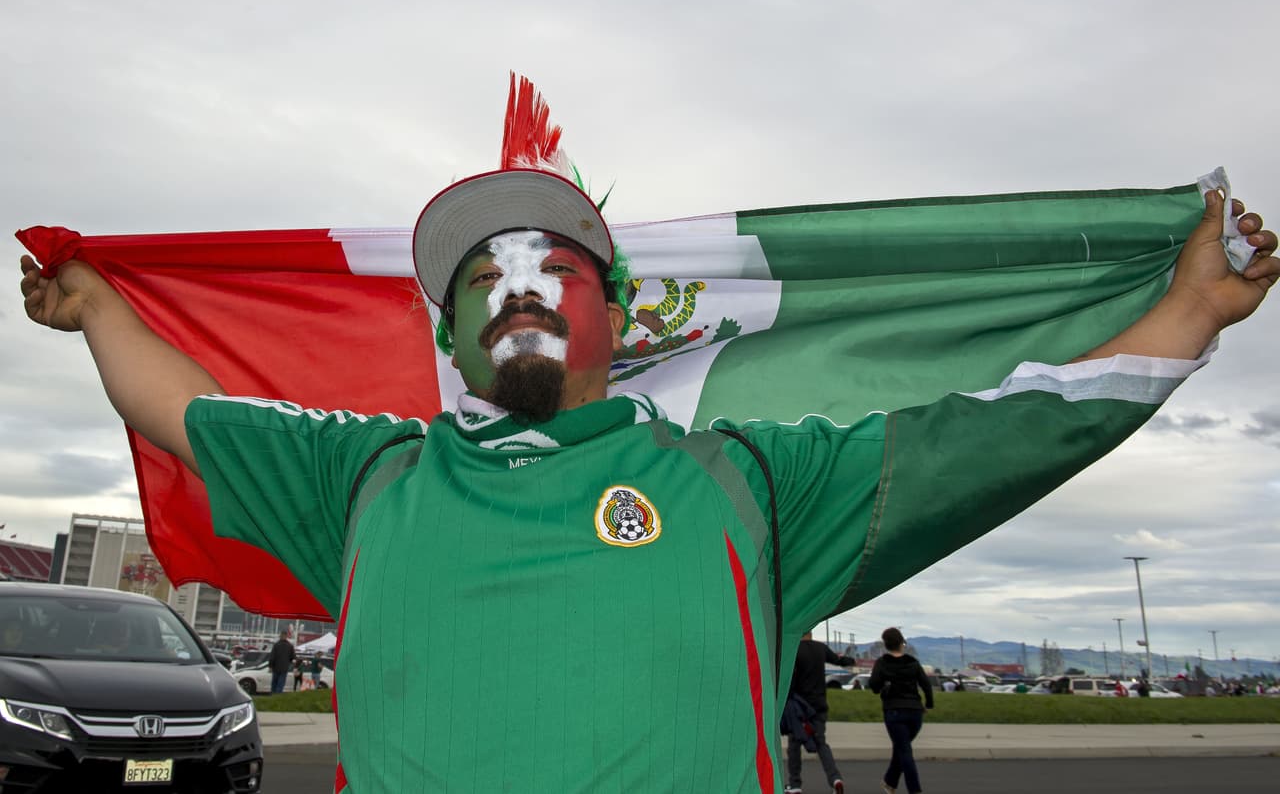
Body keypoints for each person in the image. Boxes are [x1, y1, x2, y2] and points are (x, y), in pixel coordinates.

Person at [18, 132, 1276, 788]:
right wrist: (95, 307)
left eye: (556, 265)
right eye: (480, 277)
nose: (517, 285)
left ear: (617, 315)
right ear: (445, 331)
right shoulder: (365, 480)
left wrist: (1186, 318)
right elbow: (184, 409)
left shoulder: (749, 482)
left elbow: (1000, 424)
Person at [783, 630, 856, 794]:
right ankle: (835, 779)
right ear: (811, 632)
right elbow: (839, 660)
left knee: (794, 745)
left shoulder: (795, 650)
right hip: (819, 706)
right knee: (821, 743)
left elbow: (791, 679)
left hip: (800, 708)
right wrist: (851, 660)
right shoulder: (820, 648)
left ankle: (795, 784)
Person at [869, 627, 934, 794]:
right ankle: (890, 782)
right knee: (902, 747)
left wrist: (884, 687)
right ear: (902, 643)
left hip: (894, 711)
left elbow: (874, 686)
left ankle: (915, 790)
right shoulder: (913, 663)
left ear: (886, 645)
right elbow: (926, 685)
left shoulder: (882, 663)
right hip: (915, 712)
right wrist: (928, 704)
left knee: (904, 751)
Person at [268, 630, 293, 695]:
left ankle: (273, 695)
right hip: (284, 668)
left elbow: (272, 656)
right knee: (280, 684)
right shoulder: (290, 646)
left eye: (281, 635)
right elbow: (292, 657)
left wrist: (270, 666)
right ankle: (277, 696)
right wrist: (288, 663)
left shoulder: (276, 645)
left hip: (276, 667)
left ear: (281, 636)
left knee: (274, 683)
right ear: (286, 636)